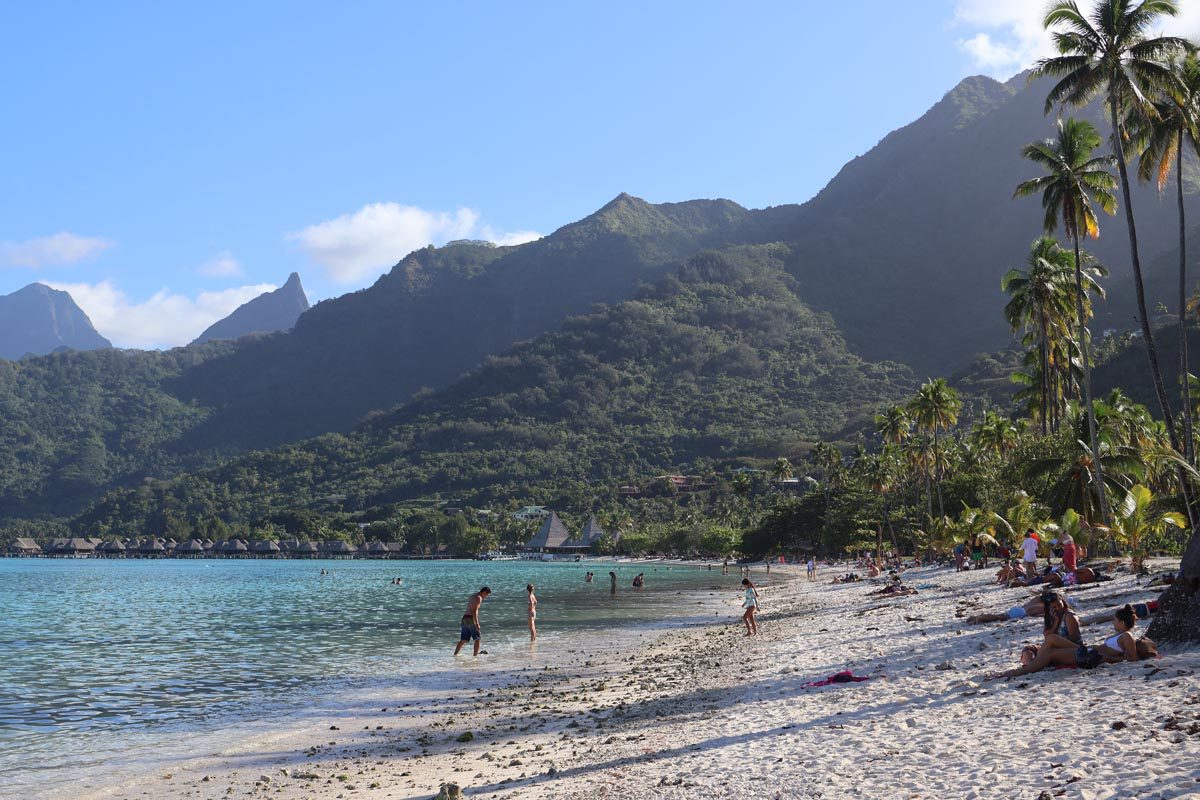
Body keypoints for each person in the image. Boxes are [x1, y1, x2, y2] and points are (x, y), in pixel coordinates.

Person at [988, 604, 1156, 679]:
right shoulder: (1119, 636)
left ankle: (1016, 672)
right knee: (1052, 640)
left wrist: (1107, 659)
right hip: (1088, 651)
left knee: (1050, 653)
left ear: (1121, 622)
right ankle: (1030, 666)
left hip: (1091, 656)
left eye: (1115, 621)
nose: (1113, 623)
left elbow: (1132, 658)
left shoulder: (1126, 637)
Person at [453, 586, 491, 656]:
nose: (486, 597)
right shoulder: (479, 598)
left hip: (465, 618)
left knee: (463, 639)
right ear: (484, 592)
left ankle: (455, 654)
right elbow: (474, 611)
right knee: (477, 639)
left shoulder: (473, 596)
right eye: (487, 595)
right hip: (471, 619)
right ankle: (475, 656)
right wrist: (477, 623)